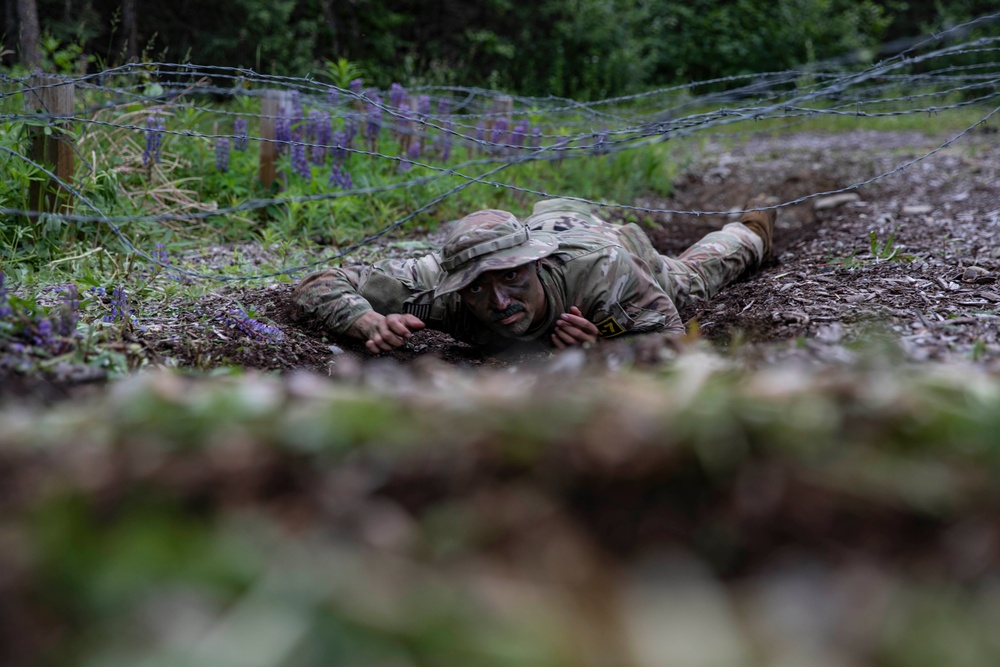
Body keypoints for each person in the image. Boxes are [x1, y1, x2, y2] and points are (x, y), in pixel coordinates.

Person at [293, 197, 776, 354]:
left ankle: (751, 230)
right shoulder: (436, 284)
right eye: (478, 288)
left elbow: (672, 341)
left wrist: (605, 348)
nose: (499, 302)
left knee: (692, 280)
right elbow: (321, 282)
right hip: (547, 220)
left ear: (535, 266)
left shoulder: (603, 277)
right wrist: (366, 322)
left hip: (611, 245)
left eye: (512, 279)